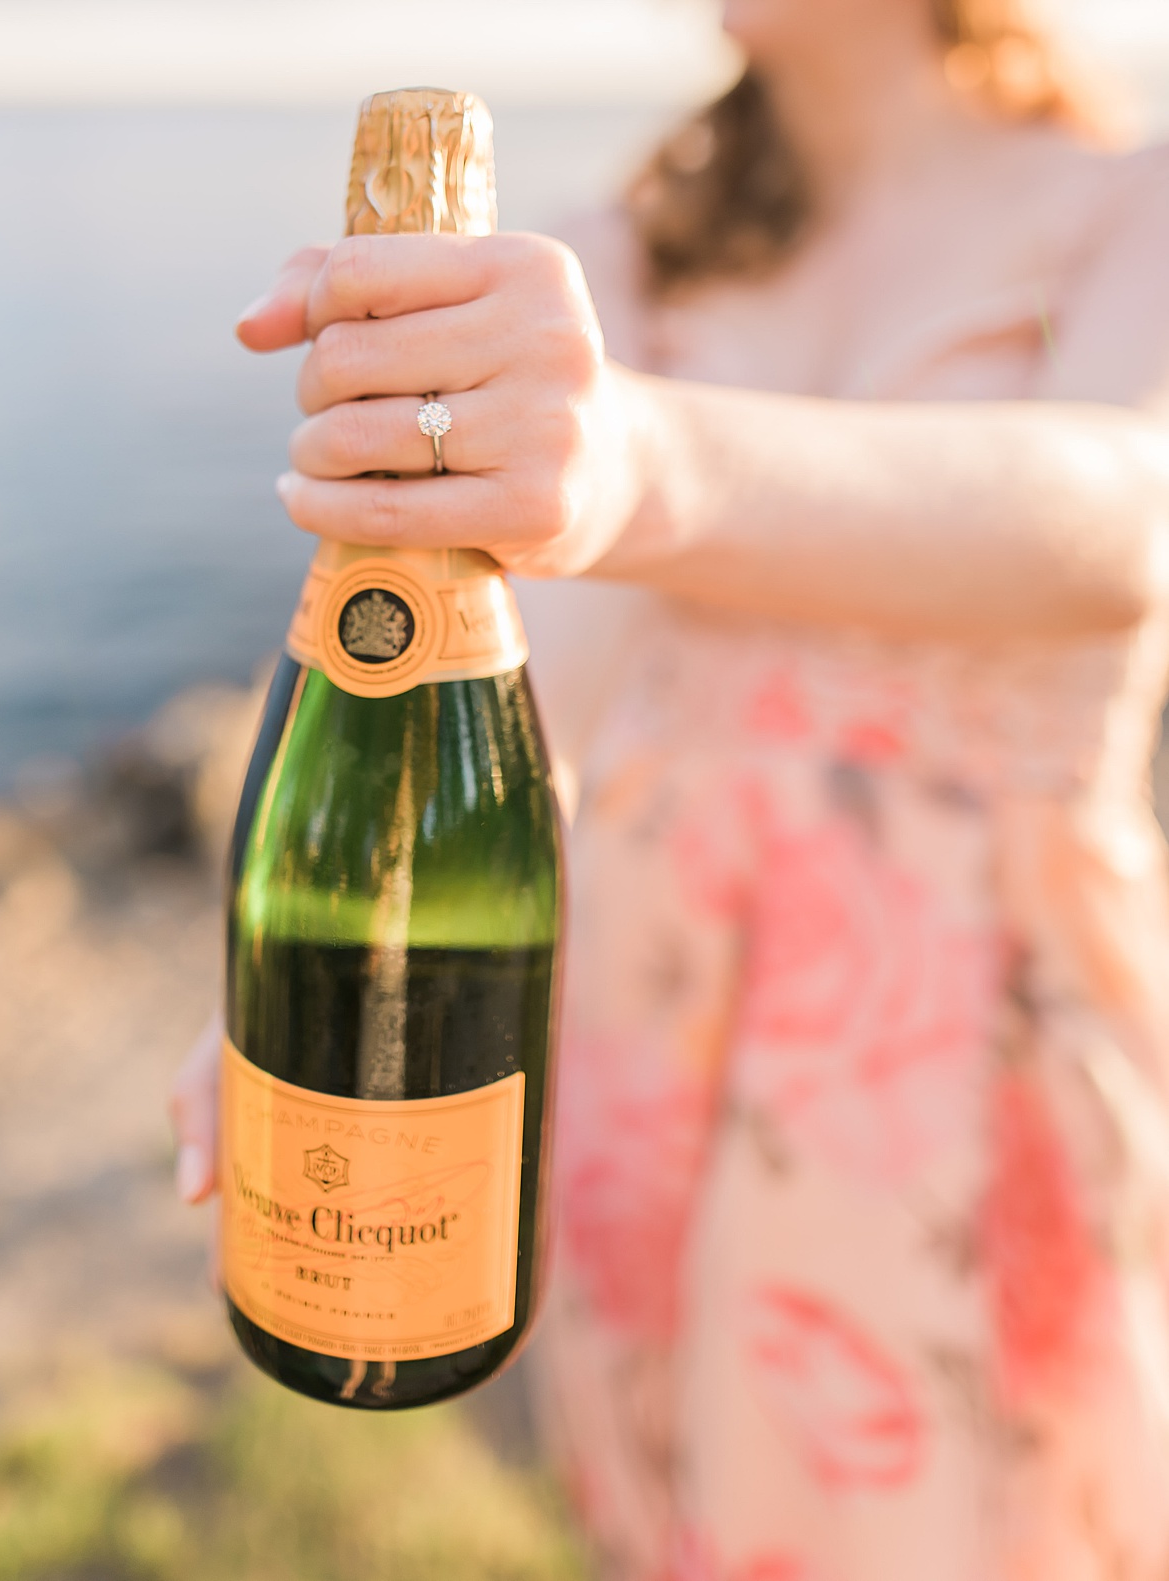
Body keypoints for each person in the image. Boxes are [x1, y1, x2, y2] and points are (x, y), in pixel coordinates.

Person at [170, 0, 1169, 1573]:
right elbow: (531, 701)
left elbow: (1129, 521)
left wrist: (647, 467)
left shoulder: (1133, 201)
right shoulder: (620, 252)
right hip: (647, 1052)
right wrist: (314, 968)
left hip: (980, 1070)